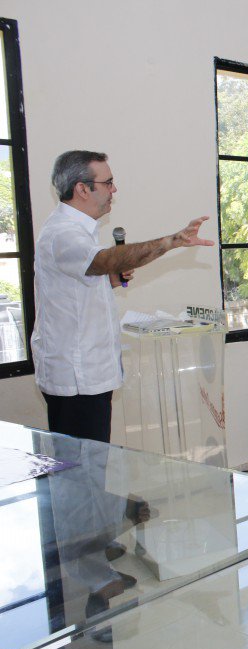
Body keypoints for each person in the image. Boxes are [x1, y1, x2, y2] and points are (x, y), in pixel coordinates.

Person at [32, 150, 213, 442]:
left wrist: (110, 280)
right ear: (82, 189)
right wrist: (170, 241)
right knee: (83, 464)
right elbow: (103, 260)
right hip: (77, 377)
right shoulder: (63, 233)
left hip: (90, 373)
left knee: (93, 460)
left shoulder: (78, 230)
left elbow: (78, 288)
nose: (114, 190)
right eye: (108, 182)